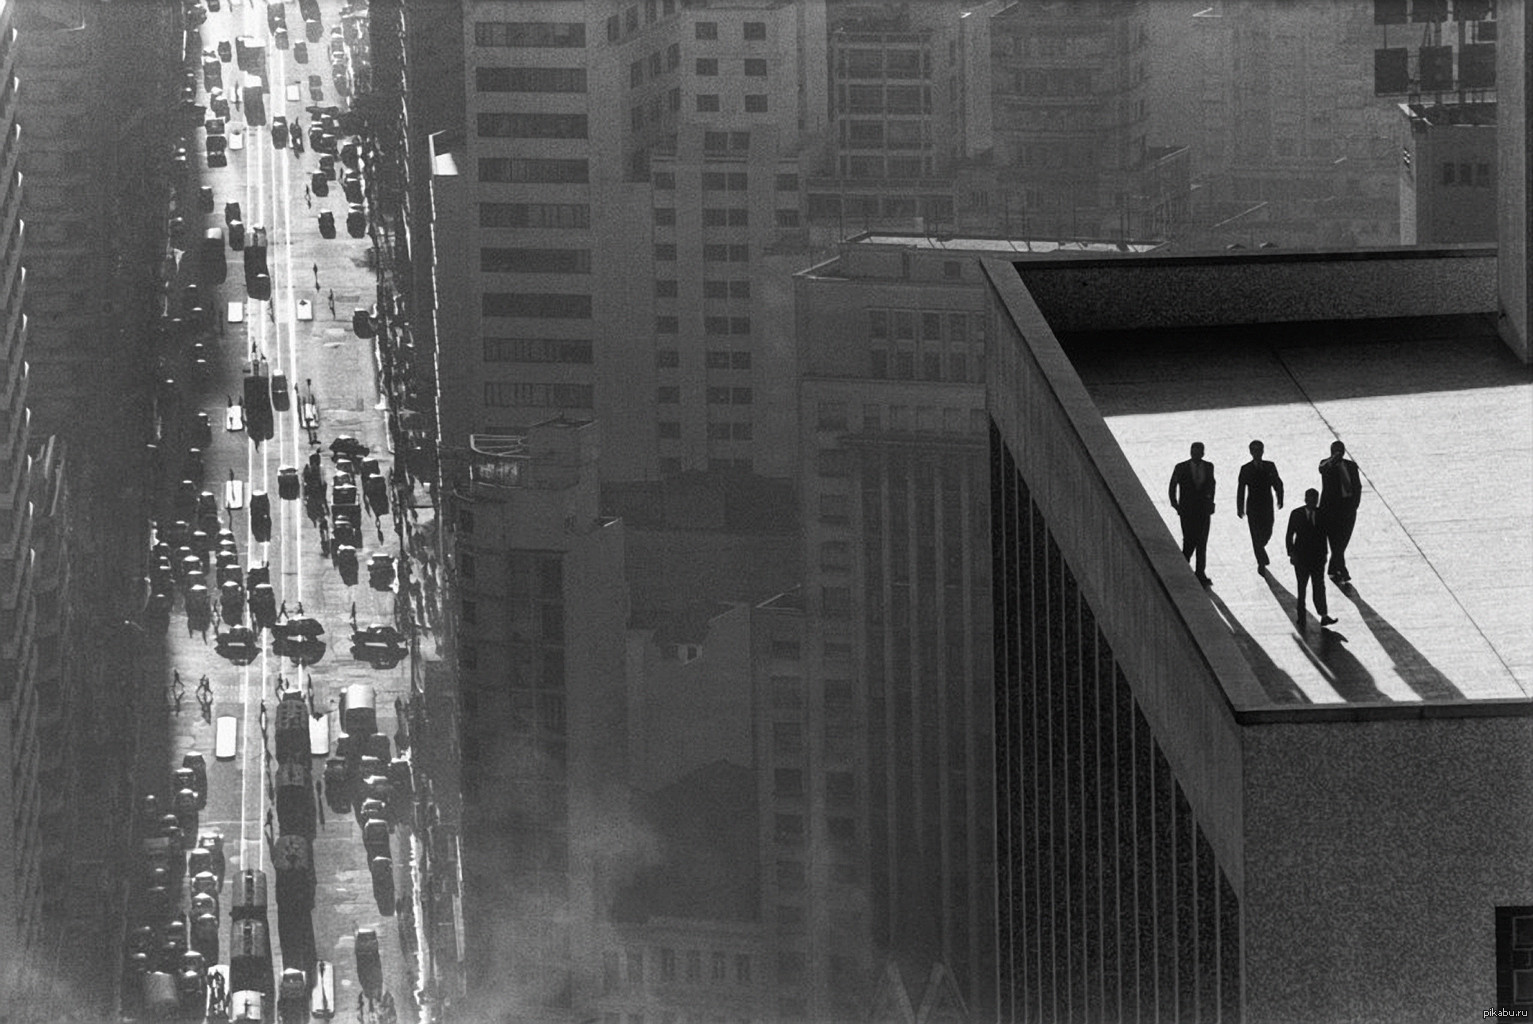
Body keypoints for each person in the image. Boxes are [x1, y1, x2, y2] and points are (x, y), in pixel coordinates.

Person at [1168, 441, 1217, 586]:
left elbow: (1212, 485)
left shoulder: (1209, 467)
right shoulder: (1181, 467)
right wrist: (1175, 504)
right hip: (1187, 511)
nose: (1196, 454)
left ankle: (1200, 573)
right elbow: (1173, 486)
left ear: (1203, 453)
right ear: (1190, 452)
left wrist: (1211, 502)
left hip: (1203, 510)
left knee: (1202, 542)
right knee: (1189, 540)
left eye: (1199, 452)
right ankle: (1182, 568)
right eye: (1193, 451)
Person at [1286, 488, 1337, 626]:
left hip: (1318, 558)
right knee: (1301, 588)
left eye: (1316, 500)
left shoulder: (1322, 514)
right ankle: (1301, 616)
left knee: (1319, 586)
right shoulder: (1296, 514)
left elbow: (1328, 535)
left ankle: (1323, 615)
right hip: (1301, 558)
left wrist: (1327, 554)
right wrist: (1291, 553)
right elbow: (1289, 535)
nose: (1314, 503)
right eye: (1312, 500)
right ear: (1306, 499)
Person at [1236, 439, 1284, 573]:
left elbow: (1277, 483)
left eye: (1259, 450)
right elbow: (1241, 488)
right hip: (1253, 506)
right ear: (1251, 452)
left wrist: (1280, 497)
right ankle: (1261, 561)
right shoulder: (1246, 469)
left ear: (1263, 451)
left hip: (1267, 504)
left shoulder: (1270, 466)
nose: (1257, 453)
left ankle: (1260, 548)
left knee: (1267, 531)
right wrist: (1240, 507)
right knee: (1255, 534)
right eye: (1254, 450)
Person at [1318, 440, 1361, 585]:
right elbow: (1322, 469)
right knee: (1336, 542)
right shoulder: (1326, 465)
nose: (1338, 453)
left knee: (1342, 541)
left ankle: (1332, 568)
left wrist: (1354, 505)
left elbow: (1357, 486)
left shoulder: (1351, 466)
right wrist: (1333, 460)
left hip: (1348, 510)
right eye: (1335, 451)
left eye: (1340, 451)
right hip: (1330, 511)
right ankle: (1342, 570)